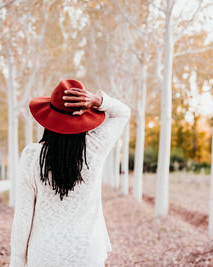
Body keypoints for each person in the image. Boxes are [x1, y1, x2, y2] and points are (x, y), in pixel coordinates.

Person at [9, 79, 131, 267]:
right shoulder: (95, 148)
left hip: (44, 255)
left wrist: (17, 263)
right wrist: (97, 101)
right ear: (83, 116)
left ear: (48, 117)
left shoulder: (32, 157)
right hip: (88, 253)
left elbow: (23, 219)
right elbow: (123, 113)